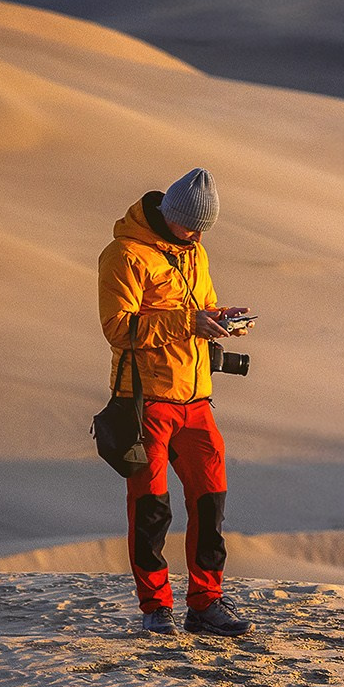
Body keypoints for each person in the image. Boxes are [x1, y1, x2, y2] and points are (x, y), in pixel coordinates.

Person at [97, 168, 254, 636]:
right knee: (151, 509)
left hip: (197, 399)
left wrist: (221, 321)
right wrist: (188, 323)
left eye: (205, 228)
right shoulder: (124, 255)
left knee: (211, 504)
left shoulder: (195, 252)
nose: (199, 235)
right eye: (192, 226)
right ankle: (155, 607)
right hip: (145, 400)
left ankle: (205, 604)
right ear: (170, 215)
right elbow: (118, 330)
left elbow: (199, 309)